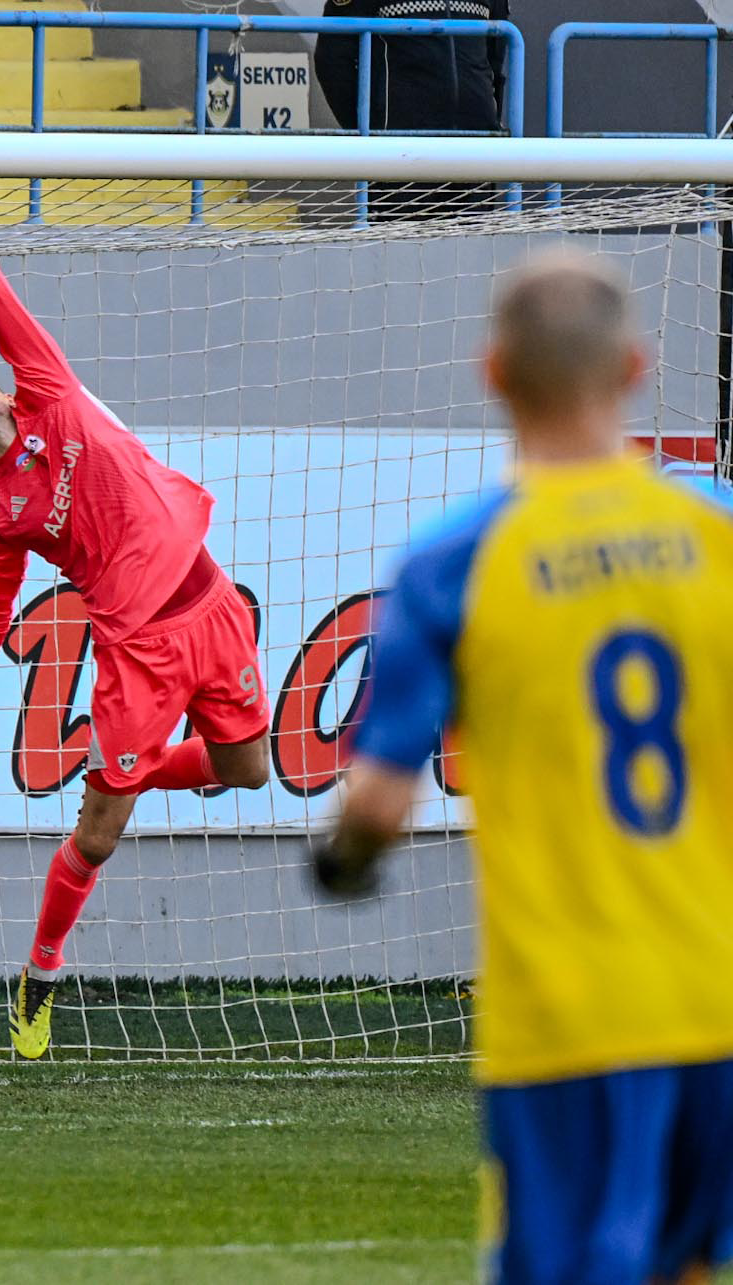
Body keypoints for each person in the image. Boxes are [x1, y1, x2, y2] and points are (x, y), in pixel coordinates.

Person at [313, 253, 733, 1284]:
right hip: (716, 999)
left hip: (566, 1014)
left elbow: (379, 800)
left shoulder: (455, 561)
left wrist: (343, 861)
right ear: (633, 367)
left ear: (493, 372)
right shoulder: (714, 532)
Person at [0, 131, 270, 1061]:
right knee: (100, 832)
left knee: (250, 770)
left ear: (5, 389)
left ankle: (126, 767)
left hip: (211, 605)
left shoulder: (51, 394)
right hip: (138, 649)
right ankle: (40, 975)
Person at [315, 0, 510, 216]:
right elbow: (332, 57)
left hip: (475, 154)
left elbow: (496, 62)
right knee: (402, 245)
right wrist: (369, 127)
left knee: (477, 245)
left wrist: (487, 124)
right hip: (401, 158)